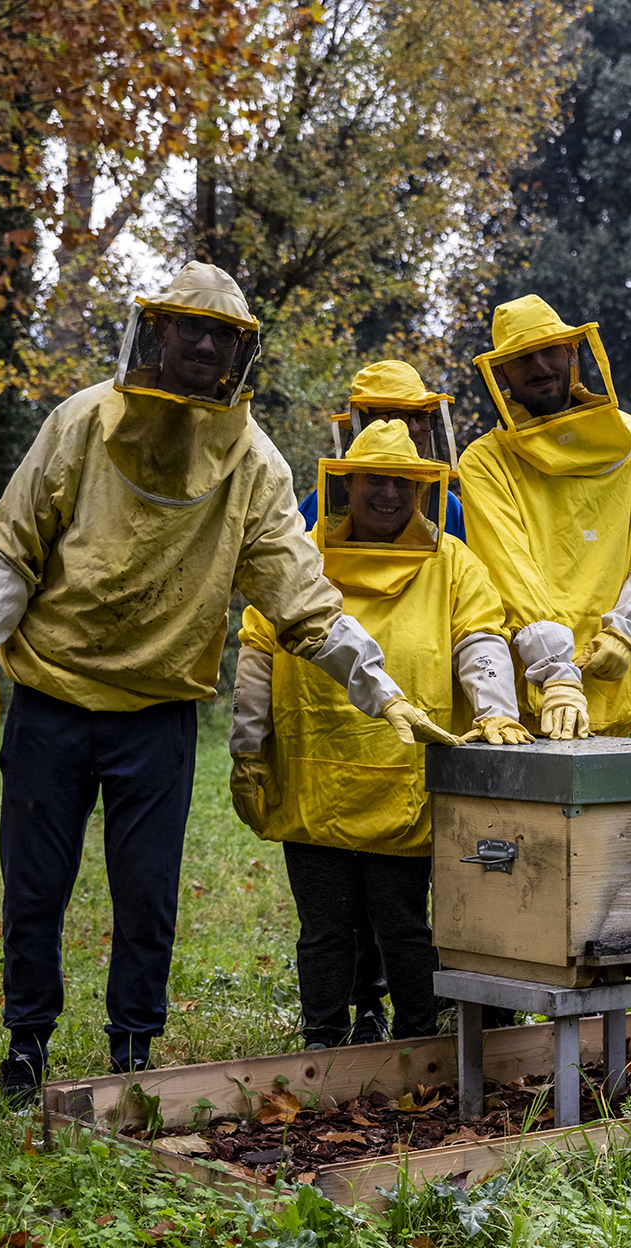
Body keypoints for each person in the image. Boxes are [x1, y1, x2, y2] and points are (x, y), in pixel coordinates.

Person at [0, 263, 463, 1110]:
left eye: (220, 333)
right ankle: (25, 1046)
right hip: (51, 698)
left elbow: (301, 596)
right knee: (35, 884)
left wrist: (382, 689)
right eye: (189, 326)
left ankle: (134, 1054)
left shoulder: (252, 462)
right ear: (155, 333)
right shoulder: (80, 422)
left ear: (239, 350)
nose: (203, 343)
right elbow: (12, 544)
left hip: (157, 712)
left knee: (146, 890)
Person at [229, 420, 530, 1049]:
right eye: (375, 480)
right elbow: (258, 648)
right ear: (347, 485)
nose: (388, 495)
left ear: (423, 491)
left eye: (402, 482)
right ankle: (323, 1045)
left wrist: (496, 709)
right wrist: (248, 750)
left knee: (403, 926)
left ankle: (417, 1044)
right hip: (314, 776)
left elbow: (480, 638)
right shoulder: (303, 555)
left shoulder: (452, 561)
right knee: (324, 928)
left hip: (405, 781)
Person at [459, 296, 631, 738]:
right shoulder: (485, 461)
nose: (540, 366)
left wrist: (625, 632)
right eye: (522, 358)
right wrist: (556, 670)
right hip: (530, 697)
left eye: (550, 350)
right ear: (500, 373)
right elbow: (509, 570)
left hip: (614, 683)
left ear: (572, 353)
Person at [298, 360, 467, 542]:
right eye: (399, 416)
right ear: (365, 423)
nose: (415, 428)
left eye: (422, 417)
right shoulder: (326, 501)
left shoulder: (448, 506)